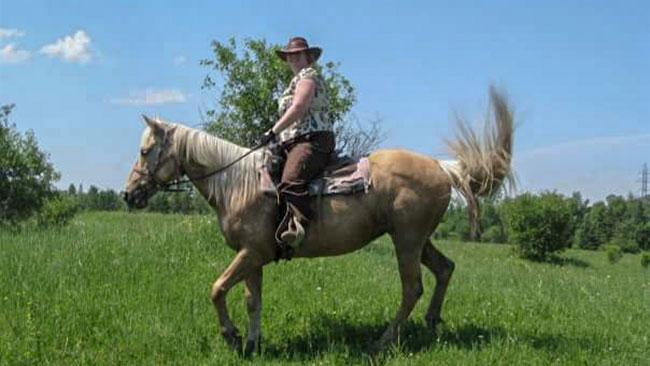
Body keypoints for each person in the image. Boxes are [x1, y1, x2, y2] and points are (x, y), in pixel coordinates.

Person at [260, 36, 335, 252]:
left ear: (308, 57)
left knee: (290, 181)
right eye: (289, 56)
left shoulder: (308, 76)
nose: (293, 59)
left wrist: (273, 131)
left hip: (313, 139)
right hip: (294, 141)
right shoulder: (295, 81)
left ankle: (302, 231)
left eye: (297, 54)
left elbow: (300, 106)